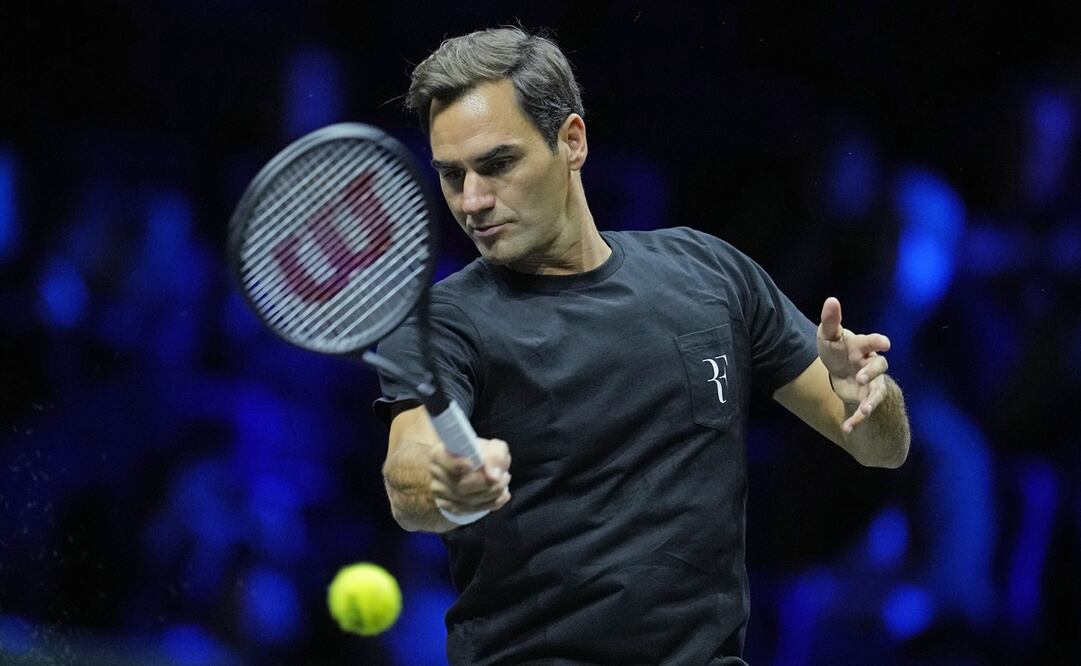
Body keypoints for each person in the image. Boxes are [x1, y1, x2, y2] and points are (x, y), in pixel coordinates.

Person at [373, 26, 910, 666]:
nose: (473, 201)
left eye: (497, 164)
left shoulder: (711, 273)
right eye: (451, 176)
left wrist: (870, 397)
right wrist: (441, 480)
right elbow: (409, 472)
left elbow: (882, 448)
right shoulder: (445, 320)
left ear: (572, 141)